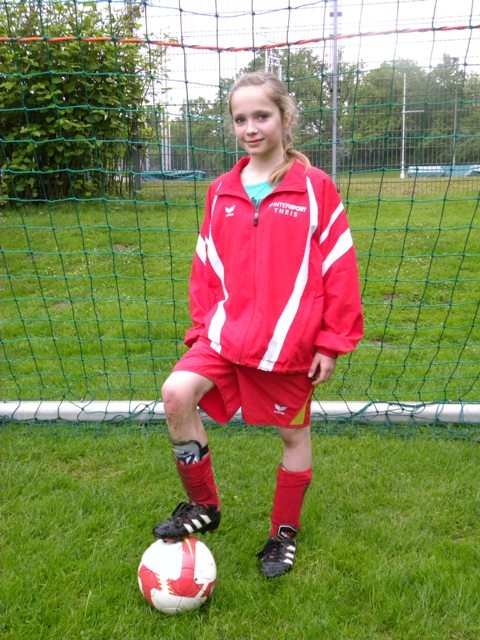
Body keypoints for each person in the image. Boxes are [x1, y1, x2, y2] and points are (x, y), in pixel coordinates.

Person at [153, 70, 363, 578]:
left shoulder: (315, 188)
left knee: (293, 436)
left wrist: (331, 342)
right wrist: (203, 329)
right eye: (240, 118)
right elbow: (205, 266)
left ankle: (282, 533)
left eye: (262, 116)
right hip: (224, 336)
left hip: (288, 344)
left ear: (285, 118)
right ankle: (204, 505)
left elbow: (340, 266)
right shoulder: (221, 190)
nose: (250, 128)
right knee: (176, 393)